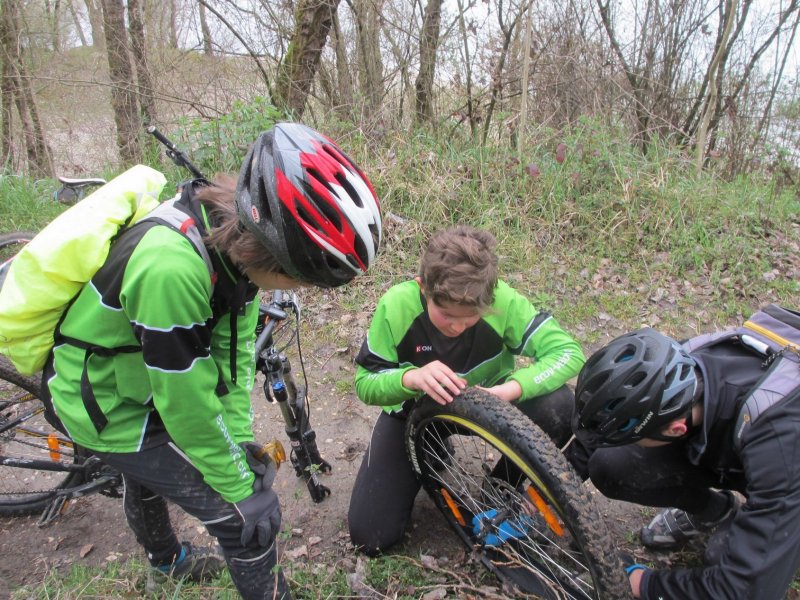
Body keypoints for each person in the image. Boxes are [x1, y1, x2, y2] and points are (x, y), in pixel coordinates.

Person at [44, 123, 381, 600]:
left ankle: (166, 564)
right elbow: (188, 406)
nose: (299, 292)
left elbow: (233, 355)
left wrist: (240, 437)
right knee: (248, 519)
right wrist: (242, 487)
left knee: (174, 475)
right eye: (302, 280)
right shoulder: (173, 271)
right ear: (273, 252)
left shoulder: (232, 243)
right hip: (104, 401)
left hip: (146, 377)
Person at [347, 225, 585, 554]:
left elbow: (569, 353)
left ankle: (502, 486)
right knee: (370, 536)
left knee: (559, 407)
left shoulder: (502, 300)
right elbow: (365, 383)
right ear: (423, 287)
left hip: (489, 407)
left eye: (470, 317)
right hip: (414, 415)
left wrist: (511, 390)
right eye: (446, 316)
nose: (457, 327)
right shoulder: (397, 305)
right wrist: (410, 379)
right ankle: (431, 446)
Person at [570, 327, 800, 599]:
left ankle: (772, 520)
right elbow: (604, 425)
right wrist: (556, 484)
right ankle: (719, 511)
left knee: (720, 558)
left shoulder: (776, 444)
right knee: (613, 468)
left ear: (676, 429)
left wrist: (642, 582)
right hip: (738, 449)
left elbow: (744, 591)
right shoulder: (675, 362)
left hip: (785, 466)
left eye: (636, 436)